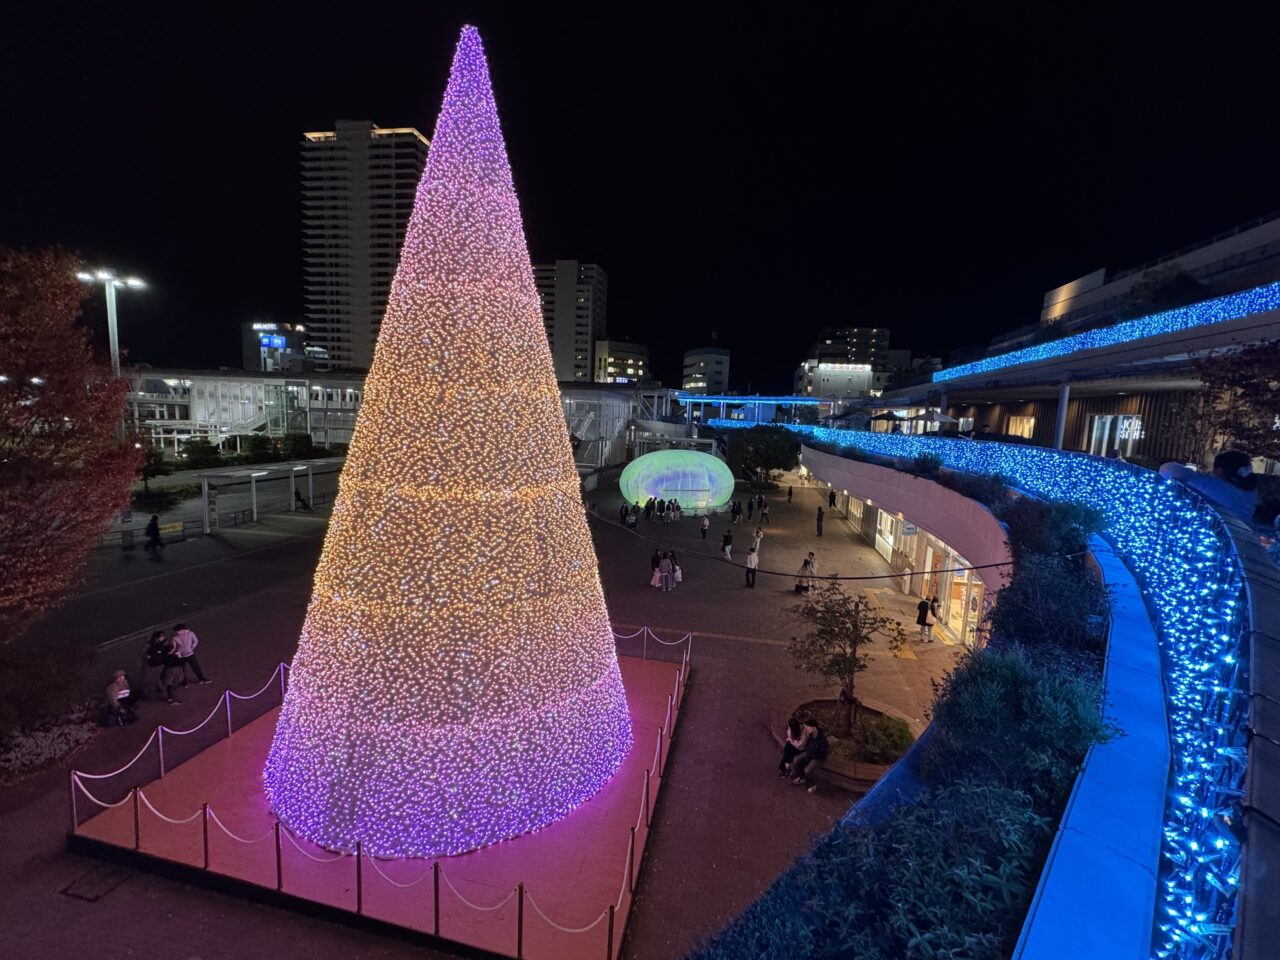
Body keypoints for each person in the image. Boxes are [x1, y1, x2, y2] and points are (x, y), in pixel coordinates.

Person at [790, 720, 829, 794]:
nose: (807, 729)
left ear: (814, 727)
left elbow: (823, 754)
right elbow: (808, 745)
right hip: (809, 754)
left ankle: (812, 785)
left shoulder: (822, 740)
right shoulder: (811, 735)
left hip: (818, 758)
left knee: (807, 770)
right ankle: (801, 777)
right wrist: (808, 752)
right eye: (806, 727)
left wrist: (812, 755)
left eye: (808, 727)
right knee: (796, 760)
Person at [144, 631, 183, 704]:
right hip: (158, 665)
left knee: (168, 682)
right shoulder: (153, 647)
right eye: (161, 637)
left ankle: (169, 696)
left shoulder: (164, 645)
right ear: (156, 638)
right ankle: (171, 698)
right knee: (168, 683)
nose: (163, 638)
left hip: (163, 665)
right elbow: (150, 655)